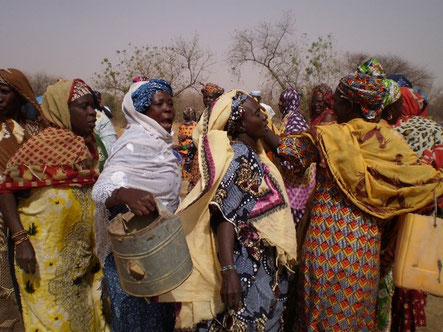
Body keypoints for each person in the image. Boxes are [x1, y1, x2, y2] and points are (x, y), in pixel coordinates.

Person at [262, 71, 443, 331]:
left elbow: (293, 153)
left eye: (339, 98)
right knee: (355, 318)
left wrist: (262, 131)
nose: (333, 103)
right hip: (366, 253)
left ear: (352, 104)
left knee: (317, 316)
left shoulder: (330, 136)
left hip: (325, 249)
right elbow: (419, 186)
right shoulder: (392, 144)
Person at [159, 90, 298, 331]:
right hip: (248, 267)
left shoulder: (252, 153)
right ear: (241, 123)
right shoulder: (242, 158)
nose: (264, 116)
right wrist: (228, 271)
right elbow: (224, 214)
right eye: (257, 113)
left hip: (257, 264)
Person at [0, 79, 105, 331]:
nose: (93, 113)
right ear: (61, 110)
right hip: (42, 257)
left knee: (89, 315)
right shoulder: (39, 148)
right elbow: (5, 190)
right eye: (84, 107)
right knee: (53, 319)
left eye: (93, 106)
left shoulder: (90, 147)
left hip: (82, 254)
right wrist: (21, 239)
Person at [92, 79, 180, 331]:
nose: (168, 109)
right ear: (141, 110)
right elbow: (100, 191)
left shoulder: (161, 143)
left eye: (170, 103)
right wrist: (124, 194)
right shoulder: (133, 143)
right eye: (159, 104)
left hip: (157, 252)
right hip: (131, 260)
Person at [383, 74, 443, 332]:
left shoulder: (394, 133)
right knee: (415, 277)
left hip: (395, 222)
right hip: (427, 220)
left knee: (391, 279)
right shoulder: (439, 132)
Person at [0, 68, 46, 331]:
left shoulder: (36, 130)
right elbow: (4, 186)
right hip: (10, 224)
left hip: (39, 220)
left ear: (19, 95)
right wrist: (19, 238)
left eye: (4, 91)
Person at [183, 82, 225, 192]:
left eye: (210, 97)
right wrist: (189, 160)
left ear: (217, 98)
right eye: (205, 97)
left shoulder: (222, 114)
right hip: (200, 156)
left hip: (216, 156)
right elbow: (196, 137)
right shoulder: (204, 114)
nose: (207, 100)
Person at [93, 91, 117, 156]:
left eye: (99, 98)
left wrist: (102, 107)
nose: (98, 100)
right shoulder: (92, 110)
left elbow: (111, 116)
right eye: (96, 99)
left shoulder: (104, 108)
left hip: (107, 134)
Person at [177, 107, 197, 180]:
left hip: (192, 148)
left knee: (191, 164)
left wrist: (187, 137)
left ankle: (190, 180)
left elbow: (197, 137)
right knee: (184, 164)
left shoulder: (195, 125)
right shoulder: (181, 125)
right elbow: (179, 137)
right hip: (183, 149)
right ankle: (185, 179)